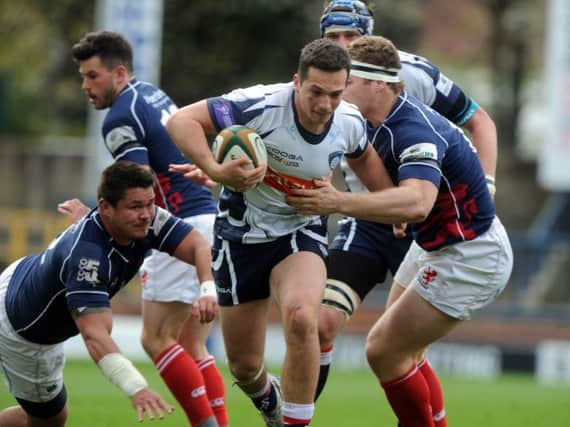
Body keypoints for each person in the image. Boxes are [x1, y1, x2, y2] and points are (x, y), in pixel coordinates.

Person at [286, 35, 513, 427]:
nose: (339, 94)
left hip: (470, 255)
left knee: (382, 352)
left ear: (378, 84)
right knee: (402, 352)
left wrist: (337, 202)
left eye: (349, 83)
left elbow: (418, 203)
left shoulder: (413, 130)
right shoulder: (370, 120)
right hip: (436, 246)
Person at [165, 38, 391, 427]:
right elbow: (180, 120)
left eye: (335, 94)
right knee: (244, 367)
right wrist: (216, 170)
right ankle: (269, 401)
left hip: (299, 233)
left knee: (304, 317)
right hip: (240, 238)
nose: (325, 105)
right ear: (296, 83)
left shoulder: (349, 121)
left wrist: (386, 198)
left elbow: (364, 155)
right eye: (316, 92)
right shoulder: (259, 106)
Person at [69, 31, 228, 427]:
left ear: (119, 72)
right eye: (83, 77)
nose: (86, 86)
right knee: (193, 344)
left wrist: (95, 219)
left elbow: (135, 182)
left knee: (155, 339)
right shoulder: (150, 93)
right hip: (206, 218)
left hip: (175, 226)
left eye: (92, 76)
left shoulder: (120, 117)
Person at [0, 161, 220, 426]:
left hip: (18, 276)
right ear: (105, 207)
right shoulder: (88, 258)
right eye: (135, 206)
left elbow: (197, 244)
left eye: (150, 203)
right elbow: (95, 335)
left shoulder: (146, 219)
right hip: (23, 331)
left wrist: (207, 289)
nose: (147, 214)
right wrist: (136, 387)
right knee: (49, 420)